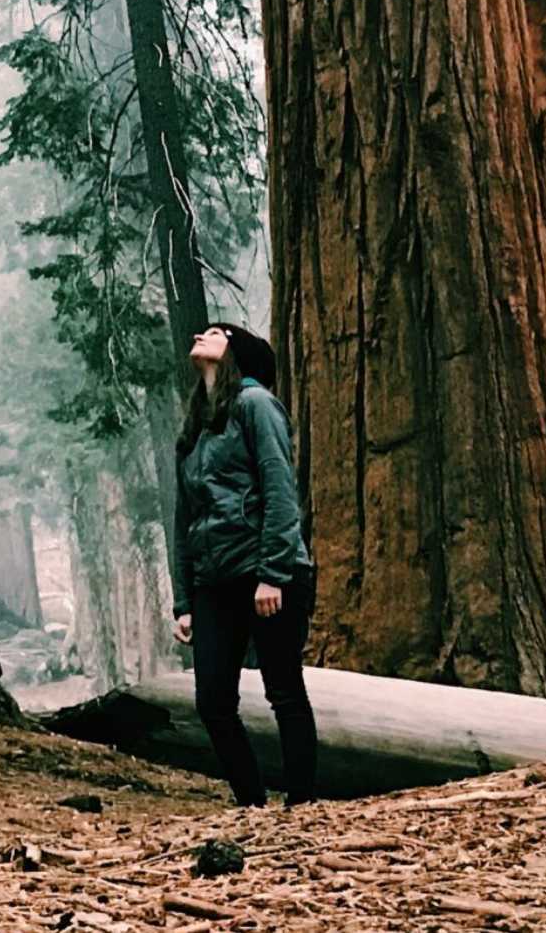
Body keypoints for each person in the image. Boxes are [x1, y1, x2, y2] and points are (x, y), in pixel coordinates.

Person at [170, 321, 318, 807]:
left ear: (236, 352)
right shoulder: (195, 425)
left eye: (215, 332)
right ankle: (251, 804)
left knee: (284, 692)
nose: (202, 335)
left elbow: (279, 490)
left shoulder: (256, 405)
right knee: (212, 703)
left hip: (267, 574)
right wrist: (184, 601)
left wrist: (273, 573)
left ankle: (302, 804)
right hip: (215, 582)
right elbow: (184, 520)